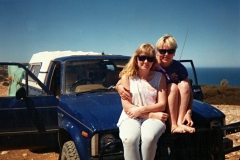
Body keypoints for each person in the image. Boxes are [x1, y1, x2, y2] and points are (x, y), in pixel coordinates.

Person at [116, 34, 195, 133]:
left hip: (172, 104)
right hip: (157, 105)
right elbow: (130, 75)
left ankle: (179, 123)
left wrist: (189, 112)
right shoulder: (150, 63)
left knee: (182, 85)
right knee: (173, 86)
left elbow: (188, 91)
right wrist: (119, 86)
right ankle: (173, 125)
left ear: (175, 52)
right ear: (157, 51)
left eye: (170, 51)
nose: (166, 54)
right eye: (162, 51)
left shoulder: (179, 67)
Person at [117, 43, 168, 160]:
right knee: (129, 139)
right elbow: (127, 107)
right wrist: (151, 114)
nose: (146, 61)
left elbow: (162, 104)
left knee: (149, 138)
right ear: (136, 59)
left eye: (150, 58)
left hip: (151, 117)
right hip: (131, 116)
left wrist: (141, 110)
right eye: (142, 58)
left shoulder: (160, 77)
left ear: (153, 61)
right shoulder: (127, 77)